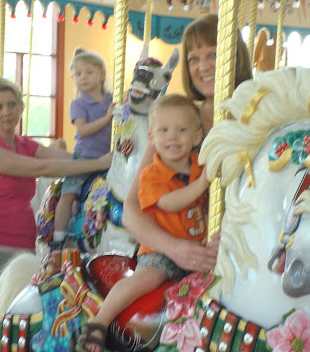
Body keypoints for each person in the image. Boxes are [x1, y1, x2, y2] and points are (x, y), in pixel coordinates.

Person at [75, 94, 209, 352]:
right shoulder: (153, 173)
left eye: (181, 130)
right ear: (151, 137)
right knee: (146, 278)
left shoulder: (199, 166)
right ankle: (99, 323)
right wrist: (202, 184)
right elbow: (170, 203)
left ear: (196, 137)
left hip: (197, 251)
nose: (172, 136)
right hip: (161, 251)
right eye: (164, 130)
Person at [122, 13, 252, 274]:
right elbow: (132, 209)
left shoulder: (257, 119)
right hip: (176, 255)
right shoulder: (178, 121)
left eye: (213, 54)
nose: (202, 66)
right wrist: (174, 248)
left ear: (234, 56)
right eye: (194, 58)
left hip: (242, 253)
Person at [0, 77, 112, 305]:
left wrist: (114, 159)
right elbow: (43, 168)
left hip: (24, 251)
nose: (7, 112)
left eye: (12, 104)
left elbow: (71, 158)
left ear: (21, 107)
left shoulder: (24, 144)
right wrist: (99, 163)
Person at [53, 48, 115, 241]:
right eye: (78, 74)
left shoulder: (111, 100)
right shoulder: (78, 104)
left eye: (89, 72)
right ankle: (58, 237)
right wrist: (107, 118)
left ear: (102, 75)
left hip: (109, 156)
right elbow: (83, 130)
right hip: (85, 156)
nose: (83, 77)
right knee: (69, 193)